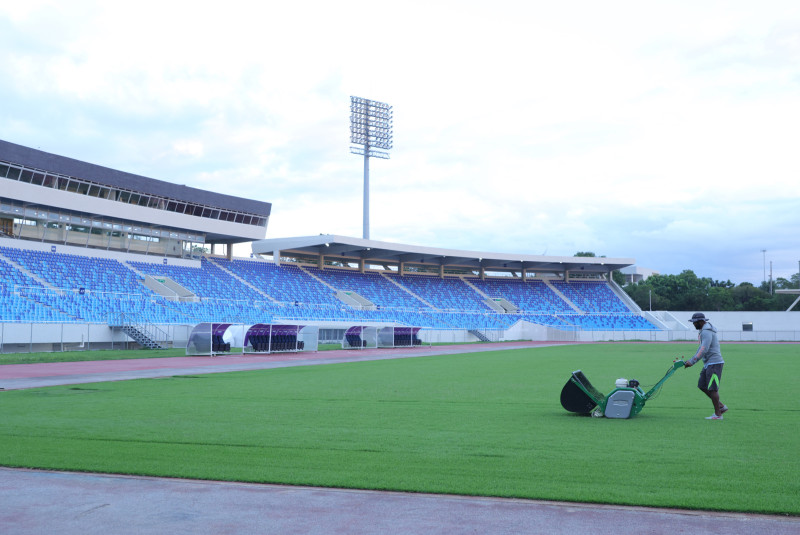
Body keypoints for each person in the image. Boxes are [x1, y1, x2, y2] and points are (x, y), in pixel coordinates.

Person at [682, 312, 727, 420]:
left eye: (695, 323)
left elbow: (704, 349)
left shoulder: (706, 332)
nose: (693, 324)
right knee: (702, 385)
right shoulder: (704, 331)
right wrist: (691, 359)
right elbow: (701, 348)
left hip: (714, 363)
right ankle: (720, 406)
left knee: (713, 389)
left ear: (701, 322)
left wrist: (692, 361)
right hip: (709, 364)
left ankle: (718, 414)